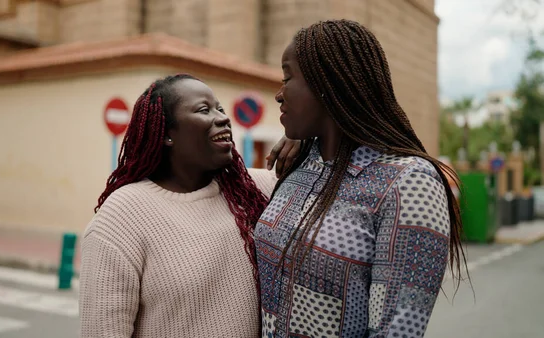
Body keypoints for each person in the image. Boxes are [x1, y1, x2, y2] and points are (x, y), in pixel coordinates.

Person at [254, 19, 466, 338]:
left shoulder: (408, 182)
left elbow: (396, 330)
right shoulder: (300, 164)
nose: (279, 95)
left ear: (328, 84)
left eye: (287, 78)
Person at [79, 73, 299, 337]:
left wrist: (307, 142)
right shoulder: (121, 218)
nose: (222, 118)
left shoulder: (256, 189)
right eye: (204, 110)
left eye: (220, 108)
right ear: (167, 134)